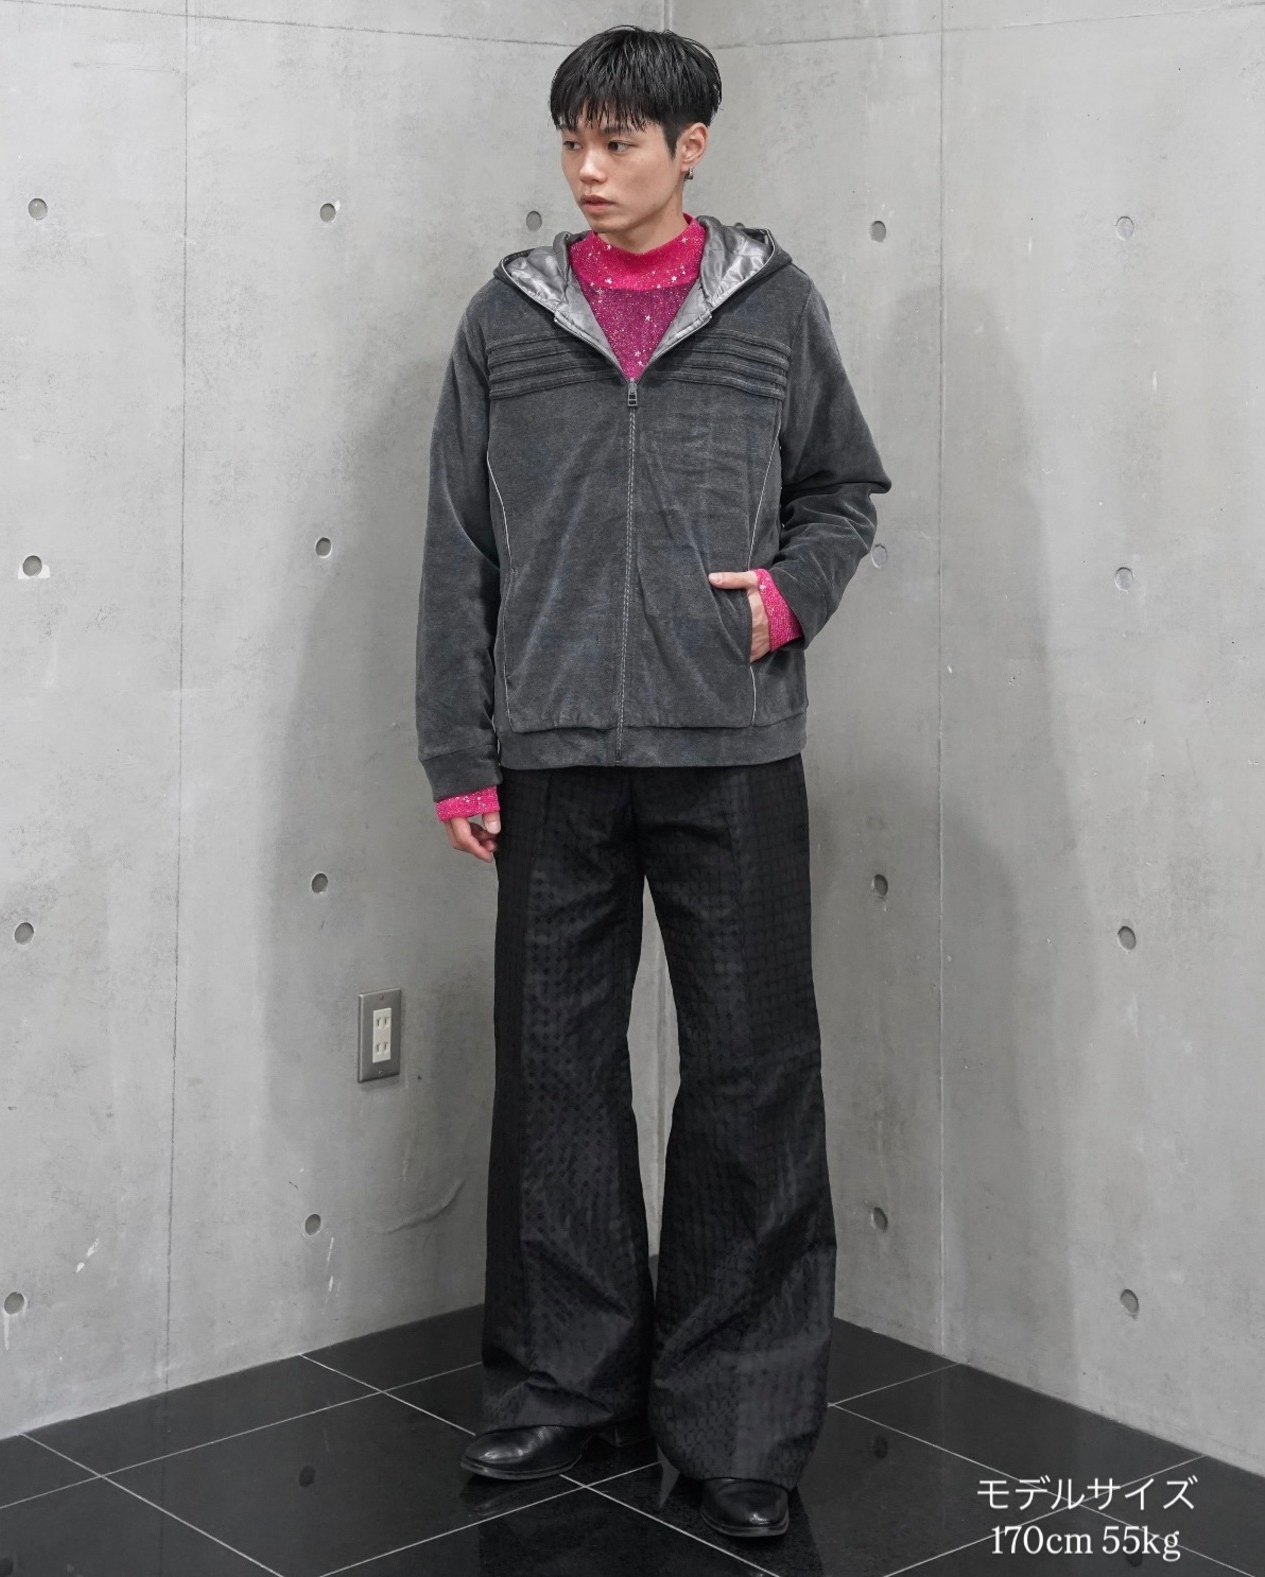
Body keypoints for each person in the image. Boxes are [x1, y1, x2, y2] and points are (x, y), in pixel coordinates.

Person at [414, 23, 892, 1541]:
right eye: (573, 140)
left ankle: (739, 1423)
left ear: (691, 148)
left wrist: (786, 599)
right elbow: (457, 550)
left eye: (618, 141)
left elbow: (843, 490)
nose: (588, 168)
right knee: (556, 1078)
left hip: (730, 750)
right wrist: (458, 751)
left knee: (751, 1080)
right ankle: (566, 1389)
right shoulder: (507, 318)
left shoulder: (775, 307)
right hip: (550, 755)